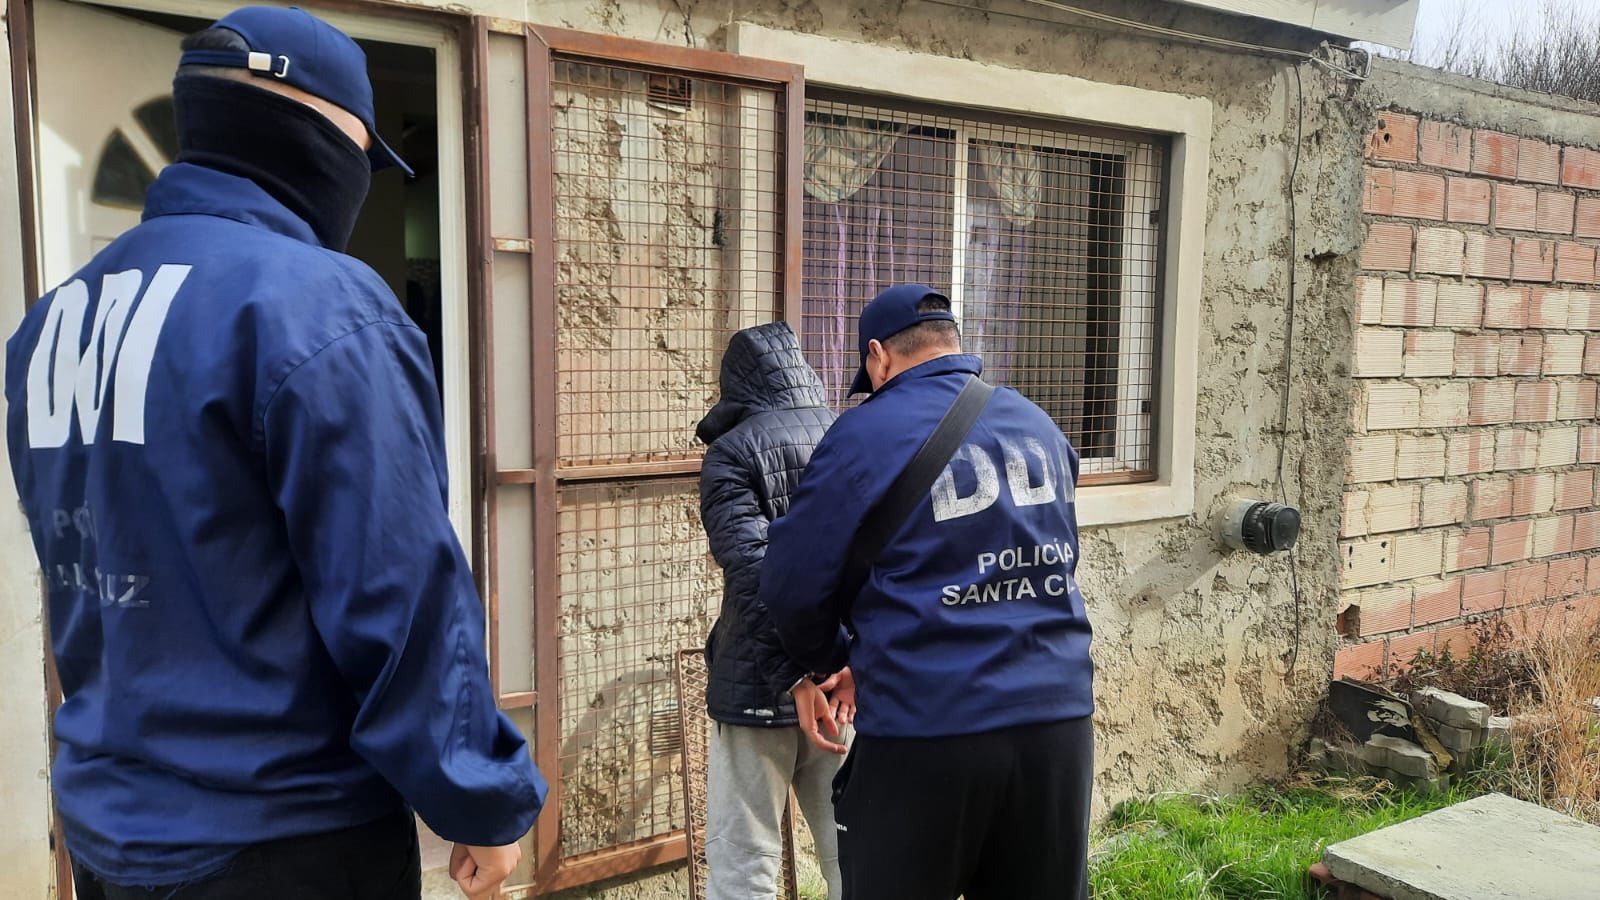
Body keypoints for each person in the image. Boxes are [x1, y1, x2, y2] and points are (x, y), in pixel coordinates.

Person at [4, 8, 545, 900]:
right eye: (365, 157)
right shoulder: (321, 309)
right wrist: (478, 797)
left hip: (112, 832)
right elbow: (398, 592)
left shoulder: (54, 323)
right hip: (285, 839)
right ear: (320, 134)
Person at [759, 284, 1095, 900]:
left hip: (928, 729)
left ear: (878, 357)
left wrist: (834, 659)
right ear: (953, 346)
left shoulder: (864, 433)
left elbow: (790, 584)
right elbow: (1054, 558)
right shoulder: (1039, 425)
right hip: (1058, 726)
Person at [696, 321, 853, 900]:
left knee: (745, 868)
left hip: (759, 687)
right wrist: (843, 665)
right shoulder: (845, 435)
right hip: (840, 684)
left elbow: (755, 574)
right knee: (853, 854)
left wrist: (793, 678)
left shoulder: (732, 452)